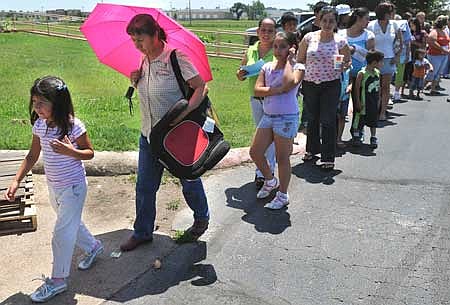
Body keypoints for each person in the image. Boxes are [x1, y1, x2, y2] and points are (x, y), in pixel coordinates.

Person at [3, 76, 102, 302]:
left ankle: (58, 281)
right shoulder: (40, 125)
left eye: (41, 103)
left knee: (61, 233)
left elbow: (89, 152)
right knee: (70, 223)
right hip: (54, 186)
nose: (36, 107)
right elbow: (32, 155)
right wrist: (17, 180)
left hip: (74, 188)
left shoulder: (73, 126)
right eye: (34, 102)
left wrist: (71, 152)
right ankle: (94, 246)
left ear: (57, 103)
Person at [120, 14, 210, 251]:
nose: (136, 45)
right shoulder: (143, 61)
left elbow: (200, 86)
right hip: (149, 135)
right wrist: (134, 80)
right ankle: (142, 232)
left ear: (155, 35)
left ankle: (201, 217)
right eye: (133, 40)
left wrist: (185, 111)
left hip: (177, 134)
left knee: (188, 180)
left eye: (140, 39)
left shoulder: (175, 57)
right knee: (145, 186)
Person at [250, 32, 304, 209]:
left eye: (283, 46)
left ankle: (283, 194)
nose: (278, 50)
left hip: (286, 118)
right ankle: (270, 181)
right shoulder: (266, 67)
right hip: (268, 116)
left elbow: (289, 83)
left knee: (282, 158)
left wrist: (289, 60)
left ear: (291, 48)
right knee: (255, 152)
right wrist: (275, 90)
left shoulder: (298, 67)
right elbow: (257, 90)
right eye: (275, 46)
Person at [297, 6, 351, 170]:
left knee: (328, 120)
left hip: (331, 85)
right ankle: (311, 151)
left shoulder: (340, 41)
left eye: (331, 21)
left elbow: (347, 61)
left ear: (336, 22)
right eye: (325, 20)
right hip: (310, 84)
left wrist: (343, 66)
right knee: (312, 119)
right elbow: (300, 59)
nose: (327, 24)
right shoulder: (308, 38)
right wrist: (298, 79)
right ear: (319, 21)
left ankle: (328, 157)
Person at [237, 17, 276, 190]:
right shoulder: (251, 50)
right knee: (261, 136)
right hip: (255, 98)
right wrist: (241, 73)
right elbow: (241, 70)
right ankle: (264, 171)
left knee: (271, 137)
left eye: (270, 31)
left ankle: (266, 173)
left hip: (273, 99)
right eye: (263, 30)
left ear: (275, 33)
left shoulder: (278, 50)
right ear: (258, 31)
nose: (266, 34)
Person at [367, 2, 402, 121]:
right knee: (374, 86)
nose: (393, 14)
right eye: (391, 12)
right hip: (374, 60)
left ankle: (382, 112)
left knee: (385, 87)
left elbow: (399, 42)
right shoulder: (371, 25)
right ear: (384, 13)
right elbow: (368, 43)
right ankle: (373, 110)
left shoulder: (395, 25)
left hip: (388, 59)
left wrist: (397, 56)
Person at [352, 50, 384, 148]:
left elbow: (379, 87)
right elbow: (357, 89)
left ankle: (373, 137)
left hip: (373, 102)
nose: (382, 64)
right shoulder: (362, 73)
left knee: (373, 120)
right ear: (374, 62)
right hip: (364, 102)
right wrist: (357, 101)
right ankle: (357, 135)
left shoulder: (377, 73)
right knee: (360, 119)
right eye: (381, 62)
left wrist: (379, 99)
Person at [425, 15, 450, 95]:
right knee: (432, 72)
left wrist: (448, 49)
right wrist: (442, 49)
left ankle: (433, 89)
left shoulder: (445, 31)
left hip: (444, 55)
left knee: (439, 73)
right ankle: (419, 87)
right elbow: (431, 40)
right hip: (435, 55)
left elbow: (448, 42)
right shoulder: (434, 31)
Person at [393, 16, 412, 101]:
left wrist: (408, 55)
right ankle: (394, 92)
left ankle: (397, 92)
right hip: (392, 54)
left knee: (399, 74)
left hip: (402, 55)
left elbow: (408, 43)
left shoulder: (405, 28)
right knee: (392, 74)